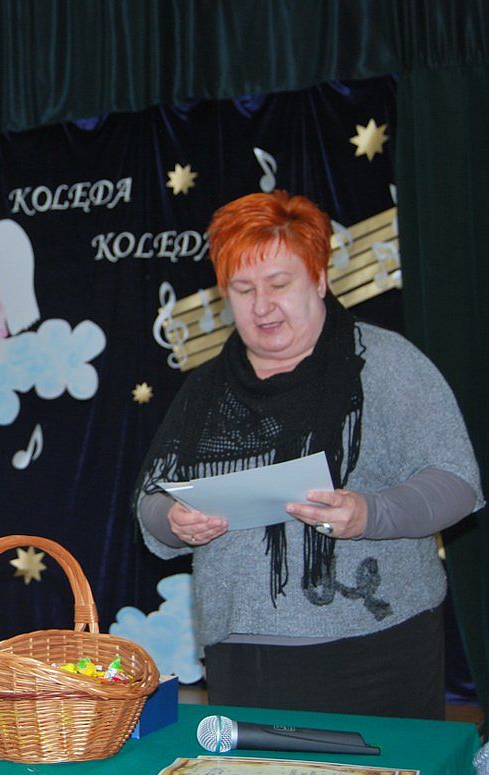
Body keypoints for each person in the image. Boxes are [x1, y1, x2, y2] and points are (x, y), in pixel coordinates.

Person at [134, 191, 482, 719]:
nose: (262, 306)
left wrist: (369, 513)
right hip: (244, 658)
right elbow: (150, 501)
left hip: (379, 651)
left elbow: (456, 481)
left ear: (319, 279)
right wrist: (174, 521)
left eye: (279, 284)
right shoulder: (204, 390)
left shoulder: (384, 363)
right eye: (243, 289)